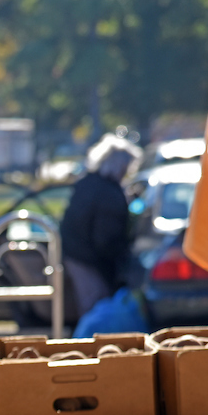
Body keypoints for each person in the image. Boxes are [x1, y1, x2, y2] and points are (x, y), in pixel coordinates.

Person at [59, 135, 141, 317]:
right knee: (96, 308)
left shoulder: (86, 183)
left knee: (90, 307)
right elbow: (107, 238)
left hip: (75, 253)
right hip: (90, 259)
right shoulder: (109, 193)